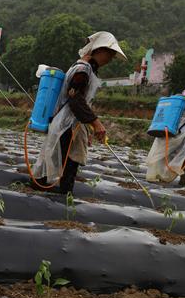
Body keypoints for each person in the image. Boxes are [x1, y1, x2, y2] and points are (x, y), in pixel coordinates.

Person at [31, 32, 126, 194]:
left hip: (72, 123)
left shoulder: (87, 69)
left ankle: (61, 193)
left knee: (67, 160)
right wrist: (96, 123)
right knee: (66, 160)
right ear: (99, 50)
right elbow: (75, 99)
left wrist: (88, 127)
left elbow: (81, 101)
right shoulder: (82, 69)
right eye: (109, 54)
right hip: (65, 124)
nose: (110, 59)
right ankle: (59, 196)